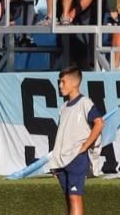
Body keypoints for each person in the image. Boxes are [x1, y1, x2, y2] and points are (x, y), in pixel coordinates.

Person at [48, 67, 103, 215]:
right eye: (59, 82)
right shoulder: (64, 107)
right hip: (63, 160)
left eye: (63, 82)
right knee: (68, 198)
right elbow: (61, 136)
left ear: (74, 83)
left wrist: (85, 146)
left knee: (74, 197)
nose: (60, 85)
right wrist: (56, 162)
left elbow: (99, 123)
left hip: (77, 158)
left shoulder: (85, 103)